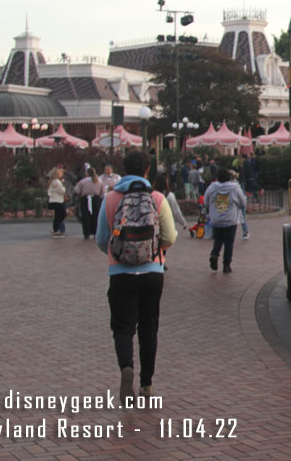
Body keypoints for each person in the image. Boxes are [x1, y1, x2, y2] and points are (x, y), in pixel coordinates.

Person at [95, 149, 177, 402]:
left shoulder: (110, 198)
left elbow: (101, 239)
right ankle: (147, 385)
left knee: (123, 327)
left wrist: (119, 254)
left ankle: (126, 368)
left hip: (120, 273)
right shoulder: (157, 198)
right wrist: (153, 251)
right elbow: (170, 237)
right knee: (148, 327)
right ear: (147, 170)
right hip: (153, 272)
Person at [205, 168, 247, 274]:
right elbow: (243, 202)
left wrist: (210, 209)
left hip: (216, 219)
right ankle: (226, 265)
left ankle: (214, 254)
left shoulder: (212, 187)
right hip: (230, 219)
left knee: (218, 239)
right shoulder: (235, 187)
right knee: (229, 242)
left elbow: (206, 200)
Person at [74, 167, 103, 240]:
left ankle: (86, 233)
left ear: (87, 173)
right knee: (96, 216)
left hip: (86, 199)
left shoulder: (83, 181)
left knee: (86, 216)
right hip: (96, 199)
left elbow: (77, 190)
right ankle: (96, 233)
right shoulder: (99, 181)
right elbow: (102, 192)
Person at [47, 167, 67, 238]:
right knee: (62, 214)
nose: (62, 174)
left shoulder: (53, 181)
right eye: (60, 172)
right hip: (57, 200)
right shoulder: (56, 182)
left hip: (56, 200)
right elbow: (62, 191)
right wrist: (64, 187)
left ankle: (55, 229)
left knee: (59, 215)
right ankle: (55, 229)